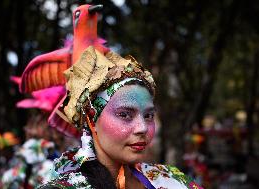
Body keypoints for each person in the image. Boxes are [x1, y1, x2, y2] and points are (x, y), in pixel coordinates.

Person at [19, 4, 202, 189]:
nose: (142, 128)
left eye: (148, 115)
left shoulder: (173, 181)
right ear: (91, 118)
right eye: (124, 114)